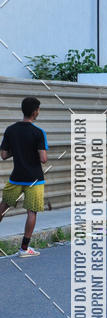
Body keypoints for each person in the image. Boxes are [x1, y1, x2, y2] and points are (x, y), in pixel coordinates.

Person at [0, 96, 48, 257]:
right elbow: (43, 159)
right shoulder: (39, 133)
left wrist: (19, 150)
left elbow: (4, 155)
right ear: (35, 112)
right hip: (35, 179)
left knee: (3, 207)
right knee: (31, 212)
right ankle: (24, 249)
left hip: (16, 177)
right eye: (39, 109)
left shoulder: (10, 130)